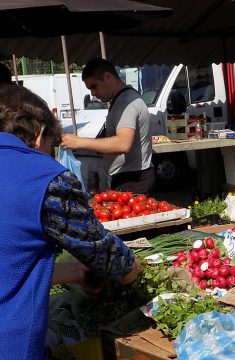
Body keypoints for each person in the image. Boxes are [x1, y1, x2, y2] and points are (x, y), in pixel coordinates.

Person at [0, 84, 141, 359]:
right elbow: (105, 254)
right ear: (40, 134)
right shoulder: (43, 178)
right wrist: (131, 269)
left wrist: (72, 273)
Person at [61, 58, 156, 195]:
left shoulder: (126, 102)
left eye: (94, 86)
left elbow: (123, 143)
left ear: (108, 77)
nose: (93, 93)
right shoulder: (120, 100)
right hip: (128, 177)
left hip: (134, 179)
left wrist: (78, 141)